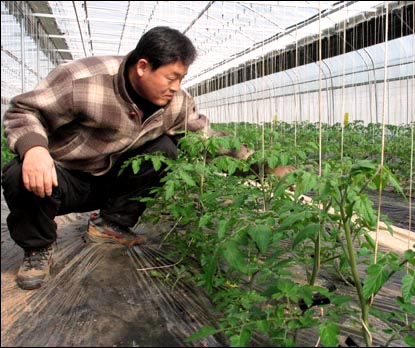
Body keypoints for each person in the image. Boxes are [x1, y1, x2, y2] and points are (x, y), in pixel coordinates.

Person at [1, 26, 256, 290]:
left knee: (166, 149)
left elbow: (207, 141)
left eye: (182, 79)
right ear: (143, 67)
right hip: (62, 179)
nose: (176, 88)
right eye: (171, 78)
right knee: (18, 173)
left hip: (115, 180)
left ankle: (111, 224)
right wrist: (34, 149)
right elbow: (24, 110)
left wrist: (260, 166)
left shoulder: (176, 103)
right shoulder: (83, 79)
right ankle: (37, 248)